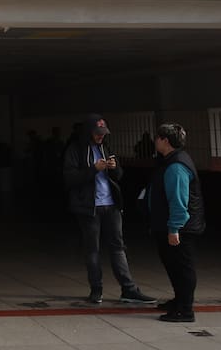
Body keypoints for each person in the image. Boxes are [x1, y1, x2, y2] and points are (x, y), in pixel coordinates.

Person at [62, 114, 157, 305]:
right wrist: (93, 169)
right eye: (97, 133)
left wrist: (114, 168)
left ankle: (129, 289)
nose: (101, 137)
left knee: (118, 247)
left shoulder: (105, 148)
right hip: (89, 208)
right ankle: (96, 290)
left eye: (103, 133)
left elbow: (119, 175)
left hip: (111, 205)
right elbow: (69, 178)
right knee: (92, 250)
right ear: (89, 132)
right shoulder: (75, 150)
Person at [149, 123, 205, 323]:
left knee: (182, 267)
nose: (155, 141)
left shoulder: (176, 165)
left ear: (165, 140)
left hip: (181, 227)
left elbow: (178, 200)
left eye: (157, 137)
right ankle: (179, 300)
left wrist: (174, 229)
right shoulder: (170, 160)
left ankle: (185, 309)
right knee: (173, 265)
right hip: (171, 224)